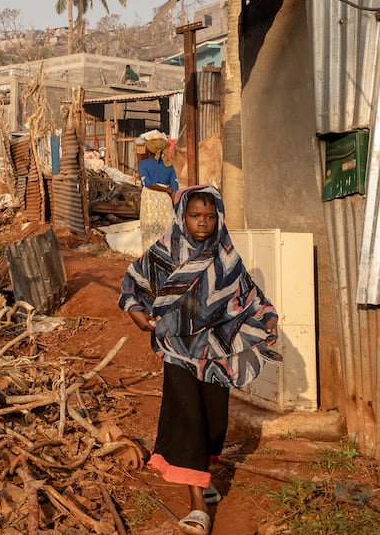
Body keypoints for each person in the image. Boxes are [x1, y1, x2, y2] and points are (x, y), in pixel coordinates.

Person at [119, 186, 280, 535]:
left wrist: (267, 317)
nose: (203, 223)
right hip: (177, 348)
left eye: (209, 216)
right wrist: (135, 310)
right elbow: (134, 281)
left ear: (217, 216)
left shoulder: (227, 257)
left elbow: (251, 296)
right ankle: (197, 505)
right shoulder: (166, 252)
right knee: (189, 419)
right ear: (182, 217)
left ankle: (203, 473)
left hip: (215, 354)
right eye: (195, 216)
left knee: (214, 421)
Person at [136, 134, 179, 252]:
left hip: (150, 199)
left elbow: (148, 183)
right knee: (166, 229)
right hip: (165, 201)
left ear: (149, 150)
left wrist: (166, 190)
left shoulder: (143, 164)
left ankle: (151, 257)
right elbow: (174, 188)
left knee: (150, 231)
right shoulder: (169, 166)